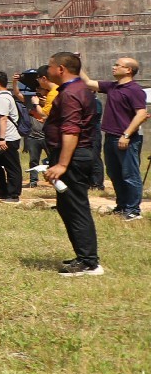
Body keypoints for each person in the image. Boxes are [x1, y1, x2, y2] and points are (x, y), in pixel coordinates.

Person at [42, 52, 103, 276]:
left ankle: (89, 262)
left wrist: (62, 165)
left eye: (50, 67)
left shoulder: (70, 94)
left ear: (61, 69)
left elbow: (71, 130)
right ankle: (84, 256)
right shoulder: (74, 90)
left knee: (76, 208)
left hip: (74, 158)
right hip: (73, 156)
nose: (47, 71)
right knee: (69, 208)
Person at [92, 56, 146, 221]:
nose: (113, 67)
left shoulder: (134, 90)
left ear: (128, 70)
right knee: (114, 173)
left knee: (130, 174)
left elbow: (141, 114)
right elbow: (88, 83)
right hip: (110, 137)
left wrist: (126, 134)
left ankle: (133, 210)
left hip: (126, 138)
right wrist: (75, 64)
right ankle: (122, 205)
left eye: (118, 65)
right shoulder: (113, 87)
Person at [0, 71, 23, 202]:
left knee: (11, 167)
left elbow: (3, 119)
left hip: (8, 139)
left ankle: (13, 194)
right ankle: (1, 192)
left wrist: (2, 139)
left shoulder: (3, 98)